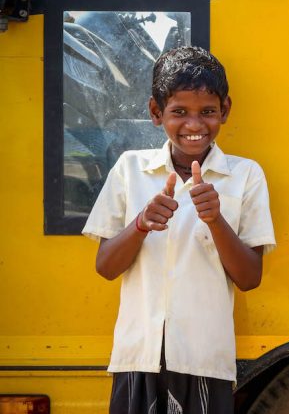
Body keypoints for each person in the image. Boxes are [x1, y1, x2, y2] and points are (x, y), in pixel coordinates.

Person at [82, 46, 276, 413]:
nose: (194, 125)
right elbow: (106, 267)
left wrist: (215, 219)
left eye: (207, 112)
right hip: (138, 357)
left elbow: (250, 277)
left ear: (225, 111)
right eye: (179, 112)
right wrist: (140, 224)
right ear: (156, 113)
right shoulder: (131, 169)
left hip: (203, 360)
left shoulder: (245, 175)